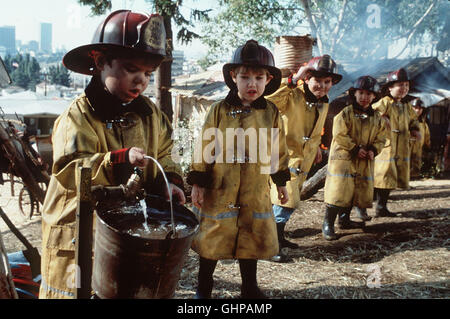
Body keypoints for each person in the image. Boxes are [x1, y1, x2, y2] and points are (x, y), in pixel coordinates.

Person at [39, 10, 185, 299]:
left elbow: (165, 151)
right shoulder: (77, 116)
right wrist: (116, 159)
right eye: (131, 69)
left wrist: (168, 180)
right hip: (79, 231)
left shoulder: (150, 115)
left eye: (147, 74)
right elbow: (71, 169)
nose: (141, 81)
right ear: (101, 62)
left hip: (123, 232)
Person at [187, 40, 290, 299]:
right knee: (211, 239)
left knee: (250, 236)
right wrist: (198, 181)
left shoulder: (271, 113)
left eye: (259, 77)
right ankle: (204, 287)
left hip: (254, 187)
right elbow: (204, 146)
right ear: (234, 77)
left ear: (269, 79)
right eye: (245, 77)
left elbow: (277, 149)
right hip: (219, 187)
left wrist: (280, 181)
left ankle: (249, 287)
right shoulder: (219, 110)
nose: (252, 84)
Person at [265, 55, 342, 261]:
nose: (322, 86)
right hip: (284, 157)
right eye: (317, 81)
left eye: (327, 82)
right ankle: (270, 245)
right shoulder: (292, 95)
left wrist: (316, 147)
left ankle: (279, 238)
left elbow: (316, 131)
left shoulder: (323, 103)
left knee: (288, 201)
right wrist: (291, 79)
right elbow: (268, 100)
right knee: (283, 201)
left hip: (303, 159)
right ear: (307, 79)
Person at [322, 76, 386, 240]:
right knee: (338, 191)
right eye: (361, 93)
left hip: (363, 160)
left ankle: (345, 220)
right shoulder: (345, 114)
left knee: (354, 191)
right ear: (354, 94)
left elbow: (381, 137)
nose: (364, 97)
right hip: (344, 159)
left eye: (369, 94)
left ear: (374, 97)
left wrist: (373, 149)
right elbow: (339, 134)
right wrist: (355, 148)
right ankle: (327, 224)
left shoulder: (376, 117)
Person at [372, 68, 421, 218]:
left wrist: (414, 129)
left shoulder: (406, 106)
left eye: (406, 85)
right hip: (385, 147)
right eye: (400, 85)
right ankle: (375, 205)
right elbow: (372, 112)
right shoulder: (385, 102)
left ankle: (382, 207)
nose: (404, 89)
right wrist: (382, 117)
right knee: (383, 176)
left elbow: (413, 120)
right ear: (390, 87)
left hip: (400, 147)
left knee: (392, 177)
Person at [409, 98, 431, 179]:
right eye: (415, 108)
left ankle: (414, 176)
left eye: (420, 108)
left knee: (416, 162)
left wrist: (427, 145)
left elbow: (427, 135)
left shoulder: (423, 122)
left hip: (418, 147)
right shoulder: (406, 120)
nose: (418, 110)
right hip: (407, 146)